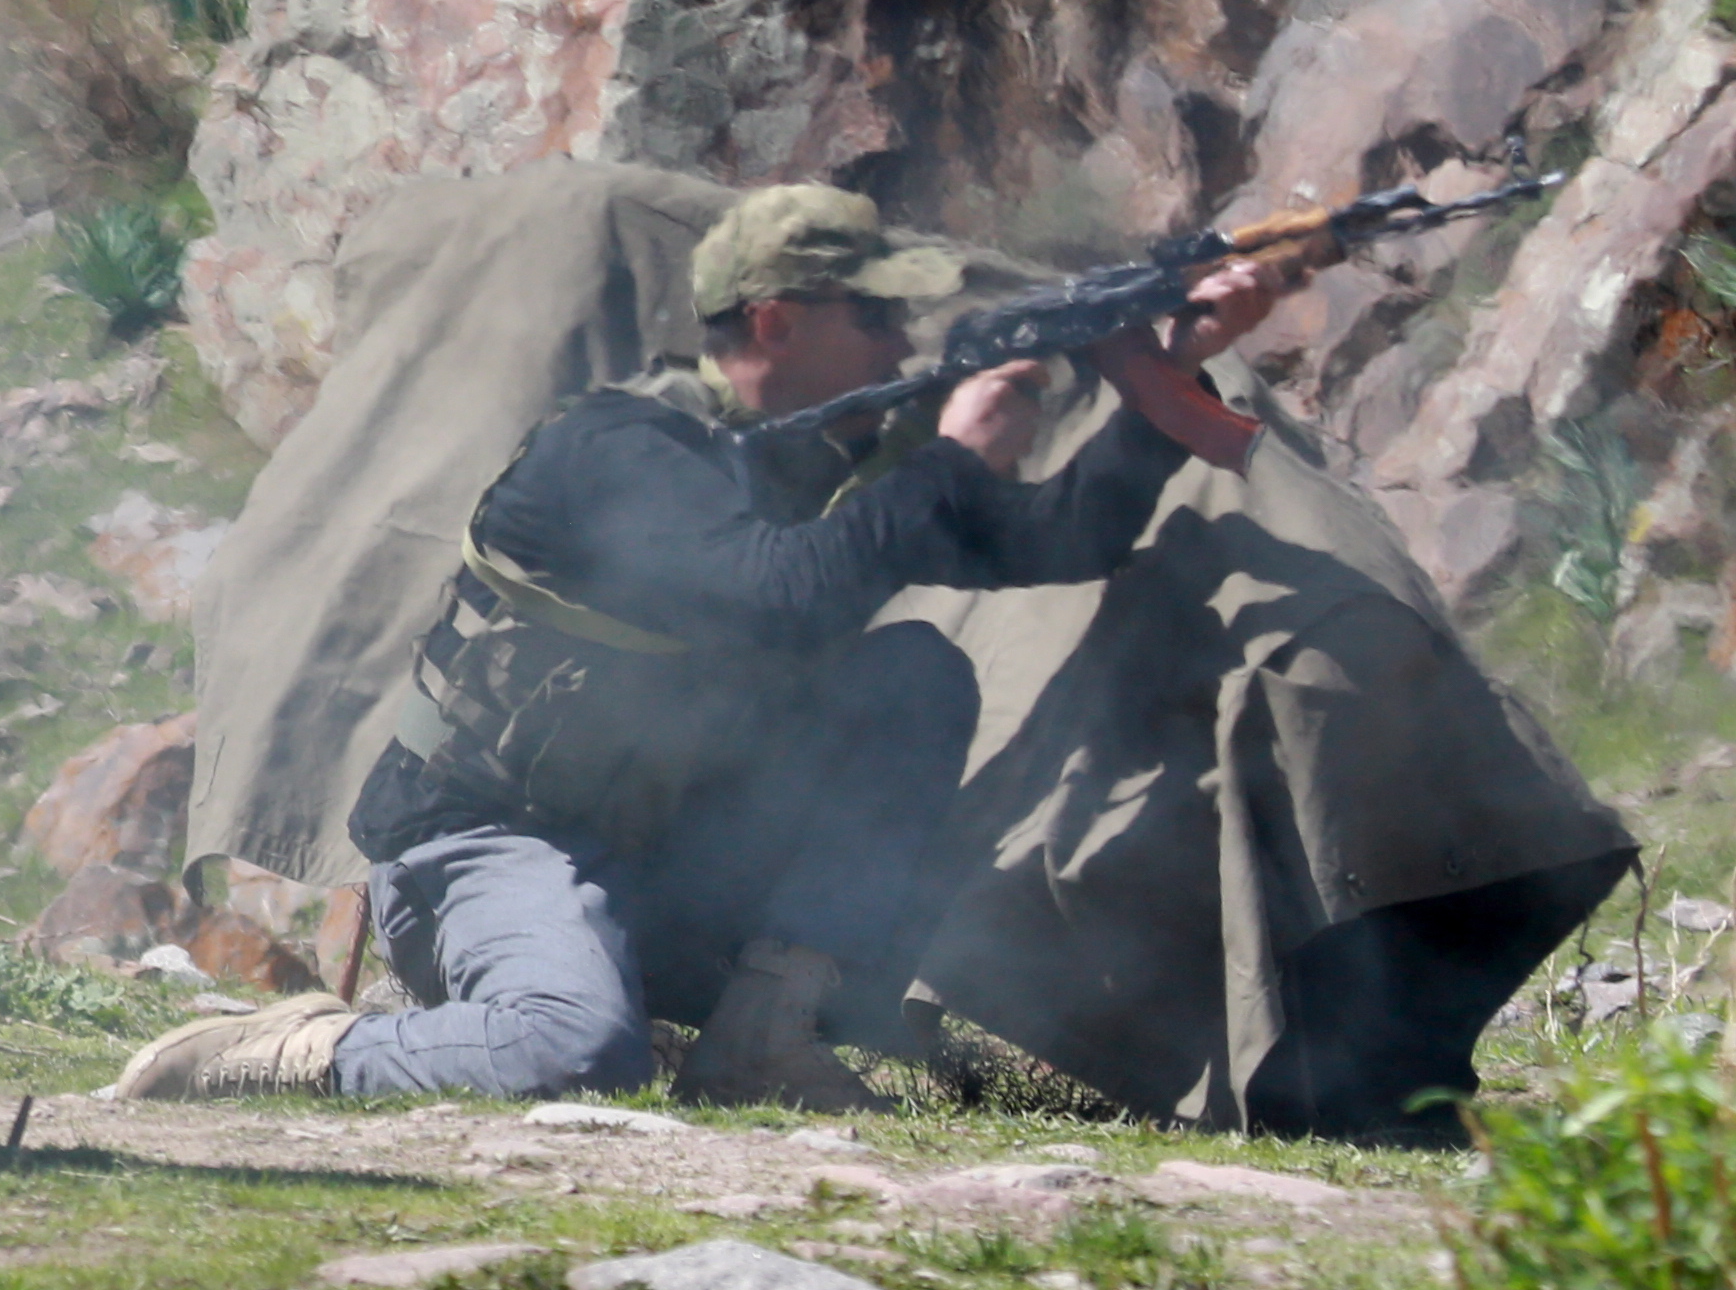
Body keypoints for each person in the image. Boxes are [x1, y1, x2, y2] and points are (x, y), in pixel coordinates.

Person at [113, 184, 1288, 1112]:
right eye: (877, 316)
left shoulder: (824, 451)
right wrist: (949, 457)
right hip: (490, 845)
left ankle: (765, 1037)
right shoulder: (621, 449)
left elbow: (1064, 536)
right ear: (777, 321)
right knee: (569, 1053)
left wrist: (1166, 369)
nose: (903, 340)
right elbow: (770, 596)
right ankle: (301, 1052)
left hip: (670, 856)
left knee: (914, 672)